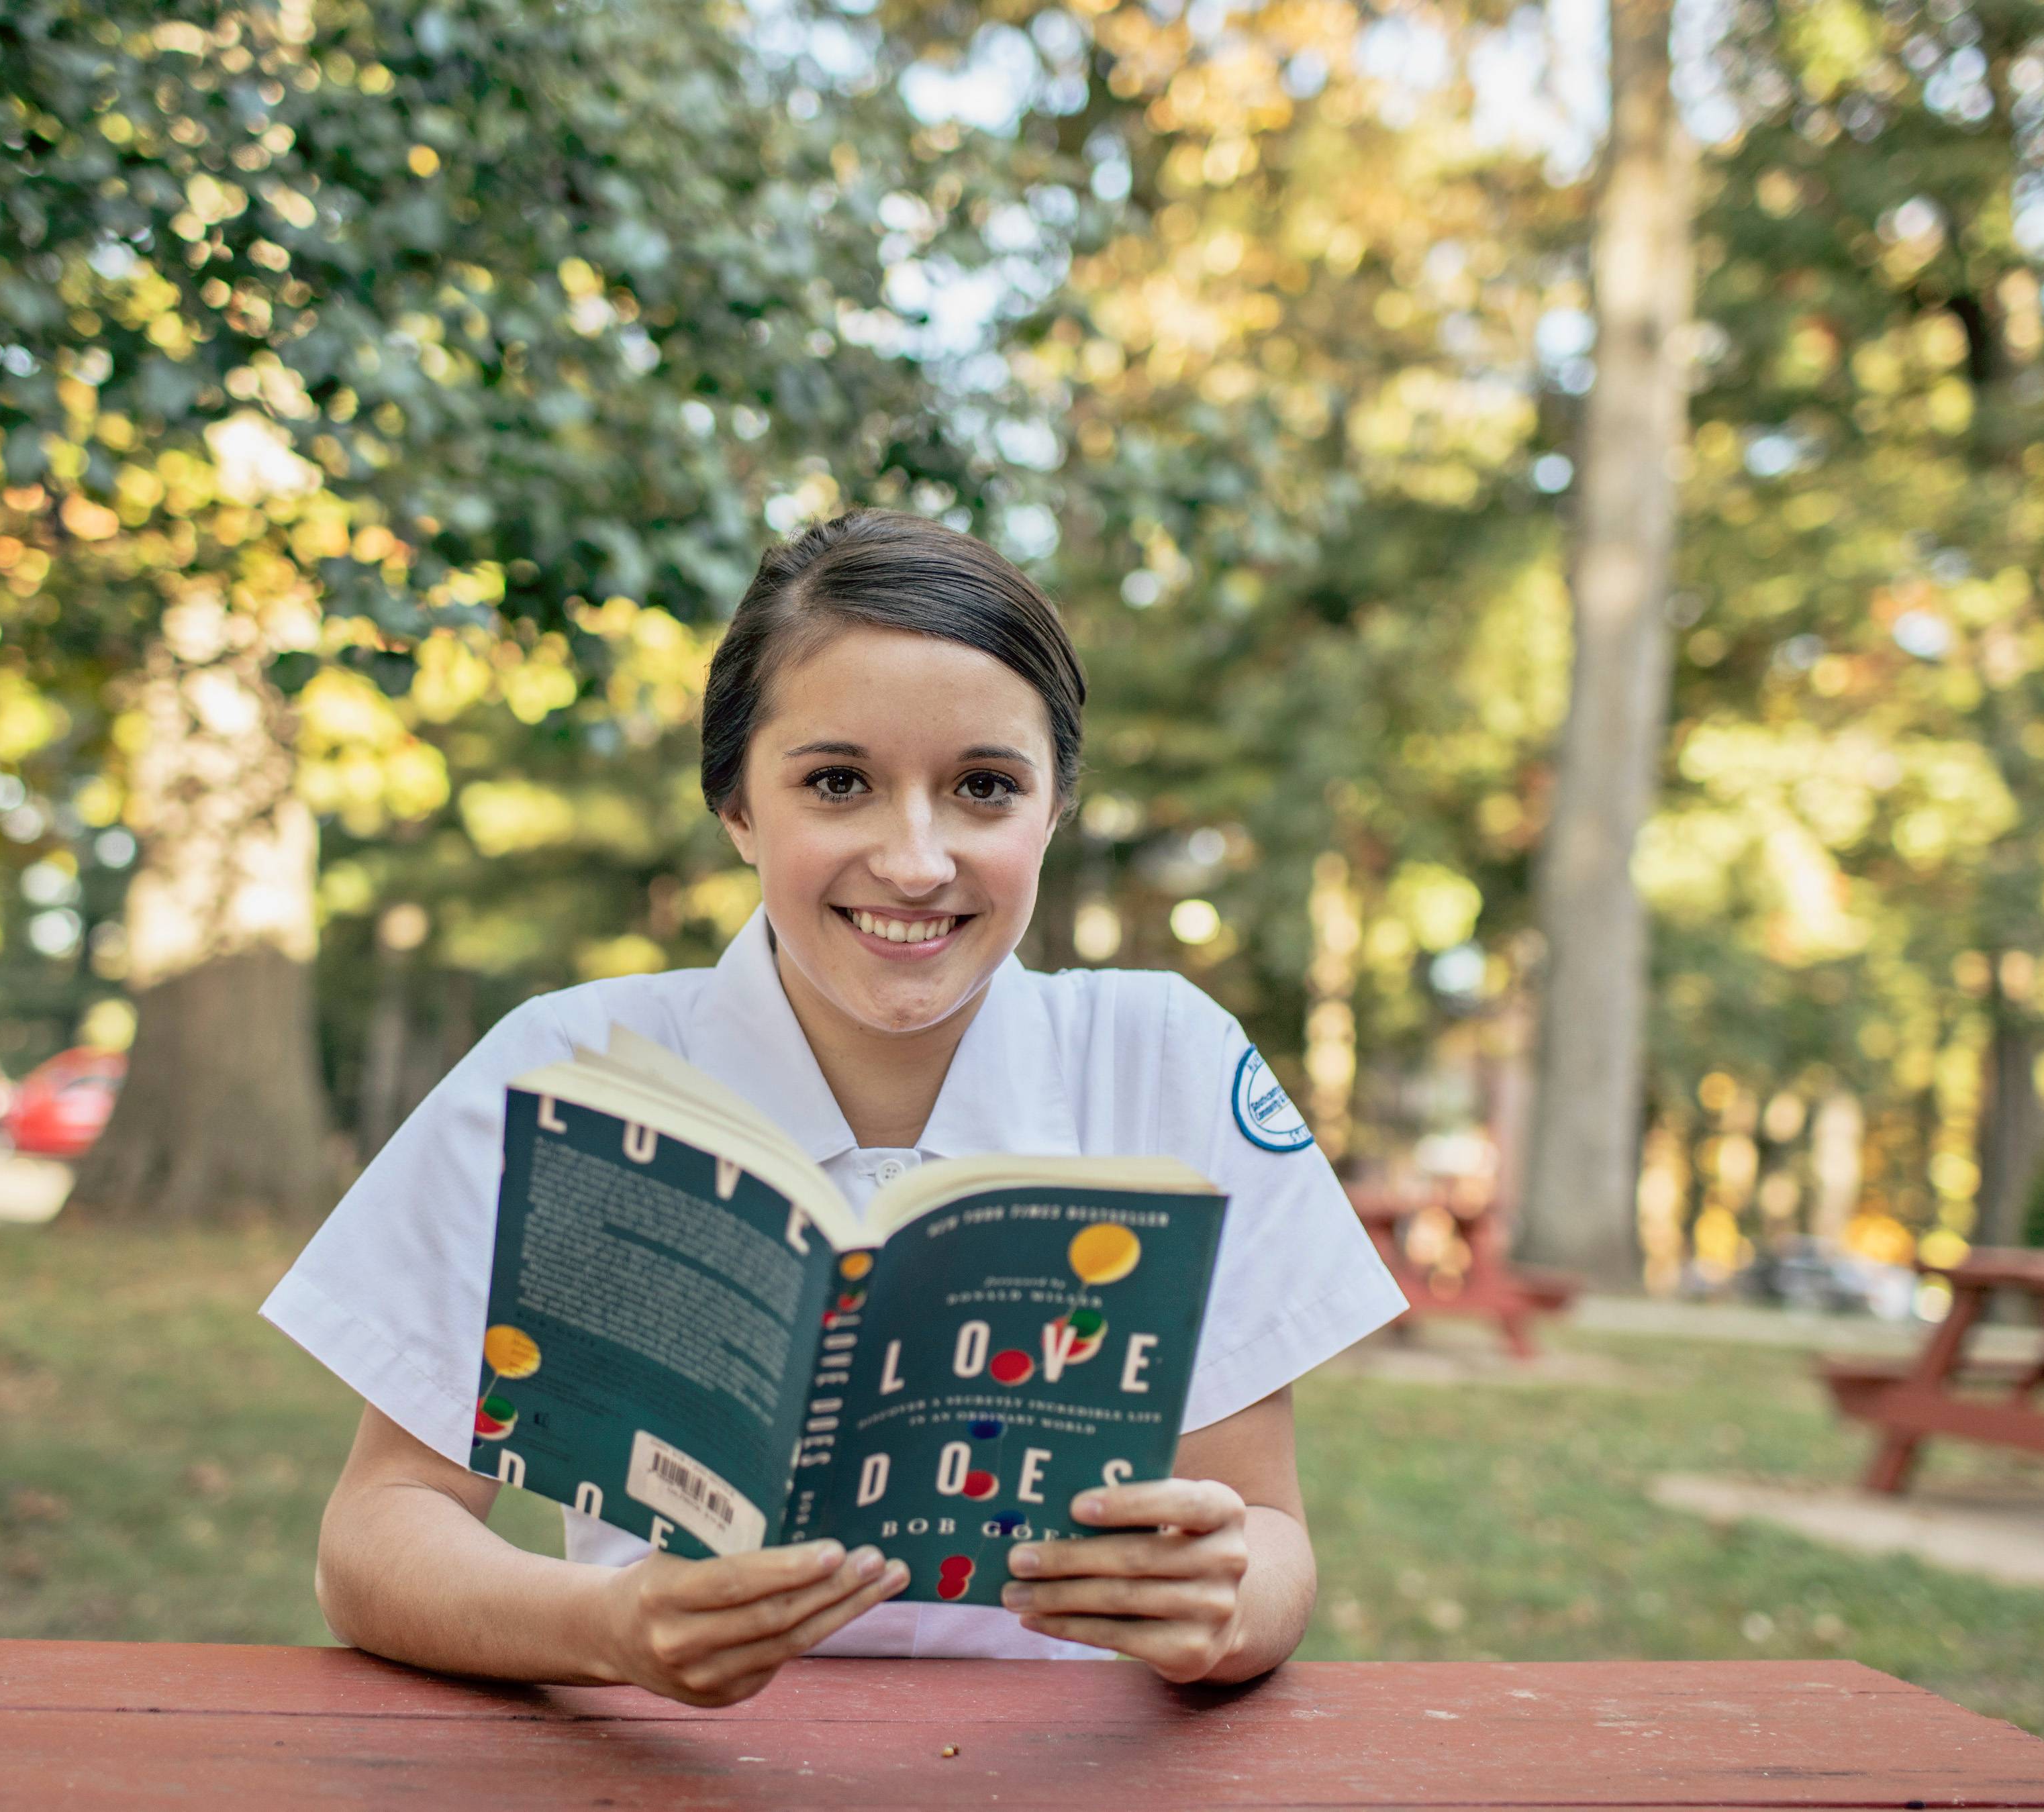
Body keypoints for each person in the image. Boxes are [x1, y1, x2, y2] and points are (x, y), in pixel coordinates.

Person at [264, 509, 1404, 1706]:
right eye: (839, 783)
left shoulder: (1166, 1059)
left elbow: (1270, 1538)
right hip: (674, 1772)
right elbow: (378, 1533)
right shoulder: (564, 1068)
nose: (916, 862)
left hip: (1057, 1778)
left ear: (1055, 807)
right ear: (738, 807)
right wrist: (610, 1628)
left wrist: (1223, 1605)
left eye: (984, 787)